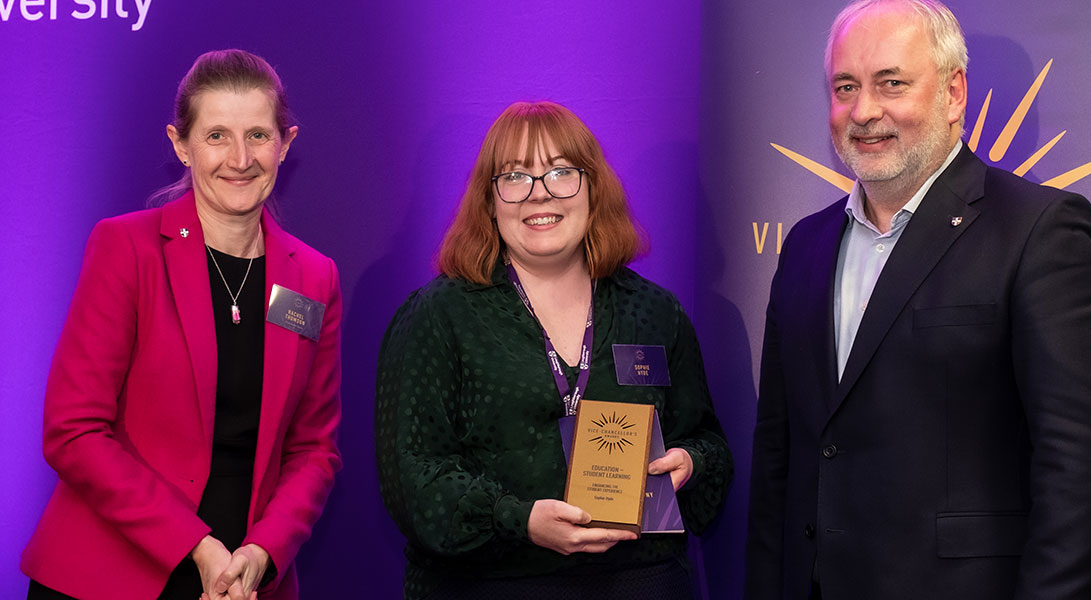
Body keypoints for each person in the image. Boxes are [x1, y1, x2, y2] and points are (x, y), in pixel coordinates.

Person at [745, 1, 1091, 598]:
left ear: (954, 95)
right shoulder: (804, 246)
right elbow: (778, 457)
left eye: (891, 83)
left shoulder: (1040, 232)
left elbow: (1083, 471)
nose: (863, 111)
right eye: (845, 87)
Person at [376, 101, 733, 600]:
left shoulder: (655, 312)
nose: (539, 194)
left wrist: (688, 463)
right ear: (489, 200)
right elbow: (412, 478)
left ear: (593, 188)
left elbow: (707, 442)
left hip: (640, 582)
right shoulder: (439, 315)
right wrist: (518, 519)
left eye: (561, 173)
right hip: (492, 586)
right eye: (515, 177)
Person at [21, 49, 342, 600]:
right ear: (181, 145)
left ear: (286, 143)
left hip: (245, 582)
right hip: (107, 577)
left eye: (258, 136)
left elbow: (313, 449)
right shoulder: (126, 249)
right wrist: (197, 545)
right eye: (217, 135)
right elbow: (73, 431)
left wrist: (263, 552)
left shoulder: (313, 277)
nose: (240, 158)